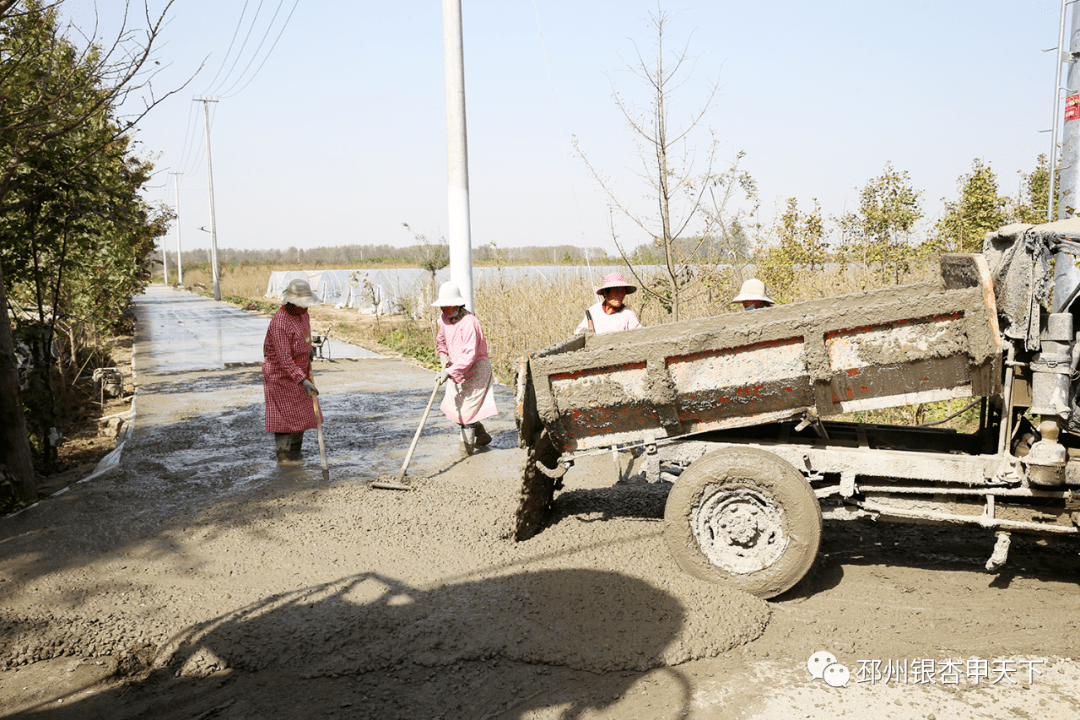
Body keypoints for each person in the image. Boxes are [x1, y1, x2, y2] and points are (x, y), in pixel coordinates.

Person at [433, 281, 497, 457]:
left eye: (448, 306)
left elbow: (469, 356)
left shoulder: (470, 322)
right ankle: (481, 435)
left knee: (466, 415)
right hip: (456, 367)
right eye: (443, 307)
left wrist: (449, 372)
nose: (444, 310)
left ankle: (465, 453)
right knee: (458, 408)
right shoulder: (443, 319)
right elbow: (441, 340)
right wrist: (443, 355)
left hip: (476, 370)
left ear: (458, 304)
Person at [263, 278, 321, 462]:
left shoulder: (303, 314)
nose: (306, 308)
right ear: (292, 303)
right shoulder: (280, 323)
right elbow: (285, 359)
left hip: (301, 372)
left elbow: (304, 336)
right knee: (283, 420)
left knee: (301, 416)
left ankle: (295, 454)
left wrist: (308, 348)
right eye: (303, 304)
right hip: (280, 376)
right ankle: (284, 459)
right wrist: (303, 381)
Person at [575, 272, 642, 334]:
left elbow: (638, 336)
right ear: (605, 293)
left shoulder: (628, 314)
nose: (620, 295)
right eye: (616, 291)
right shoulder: (593, 311)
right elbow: (578, 333)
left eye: (622, 291)